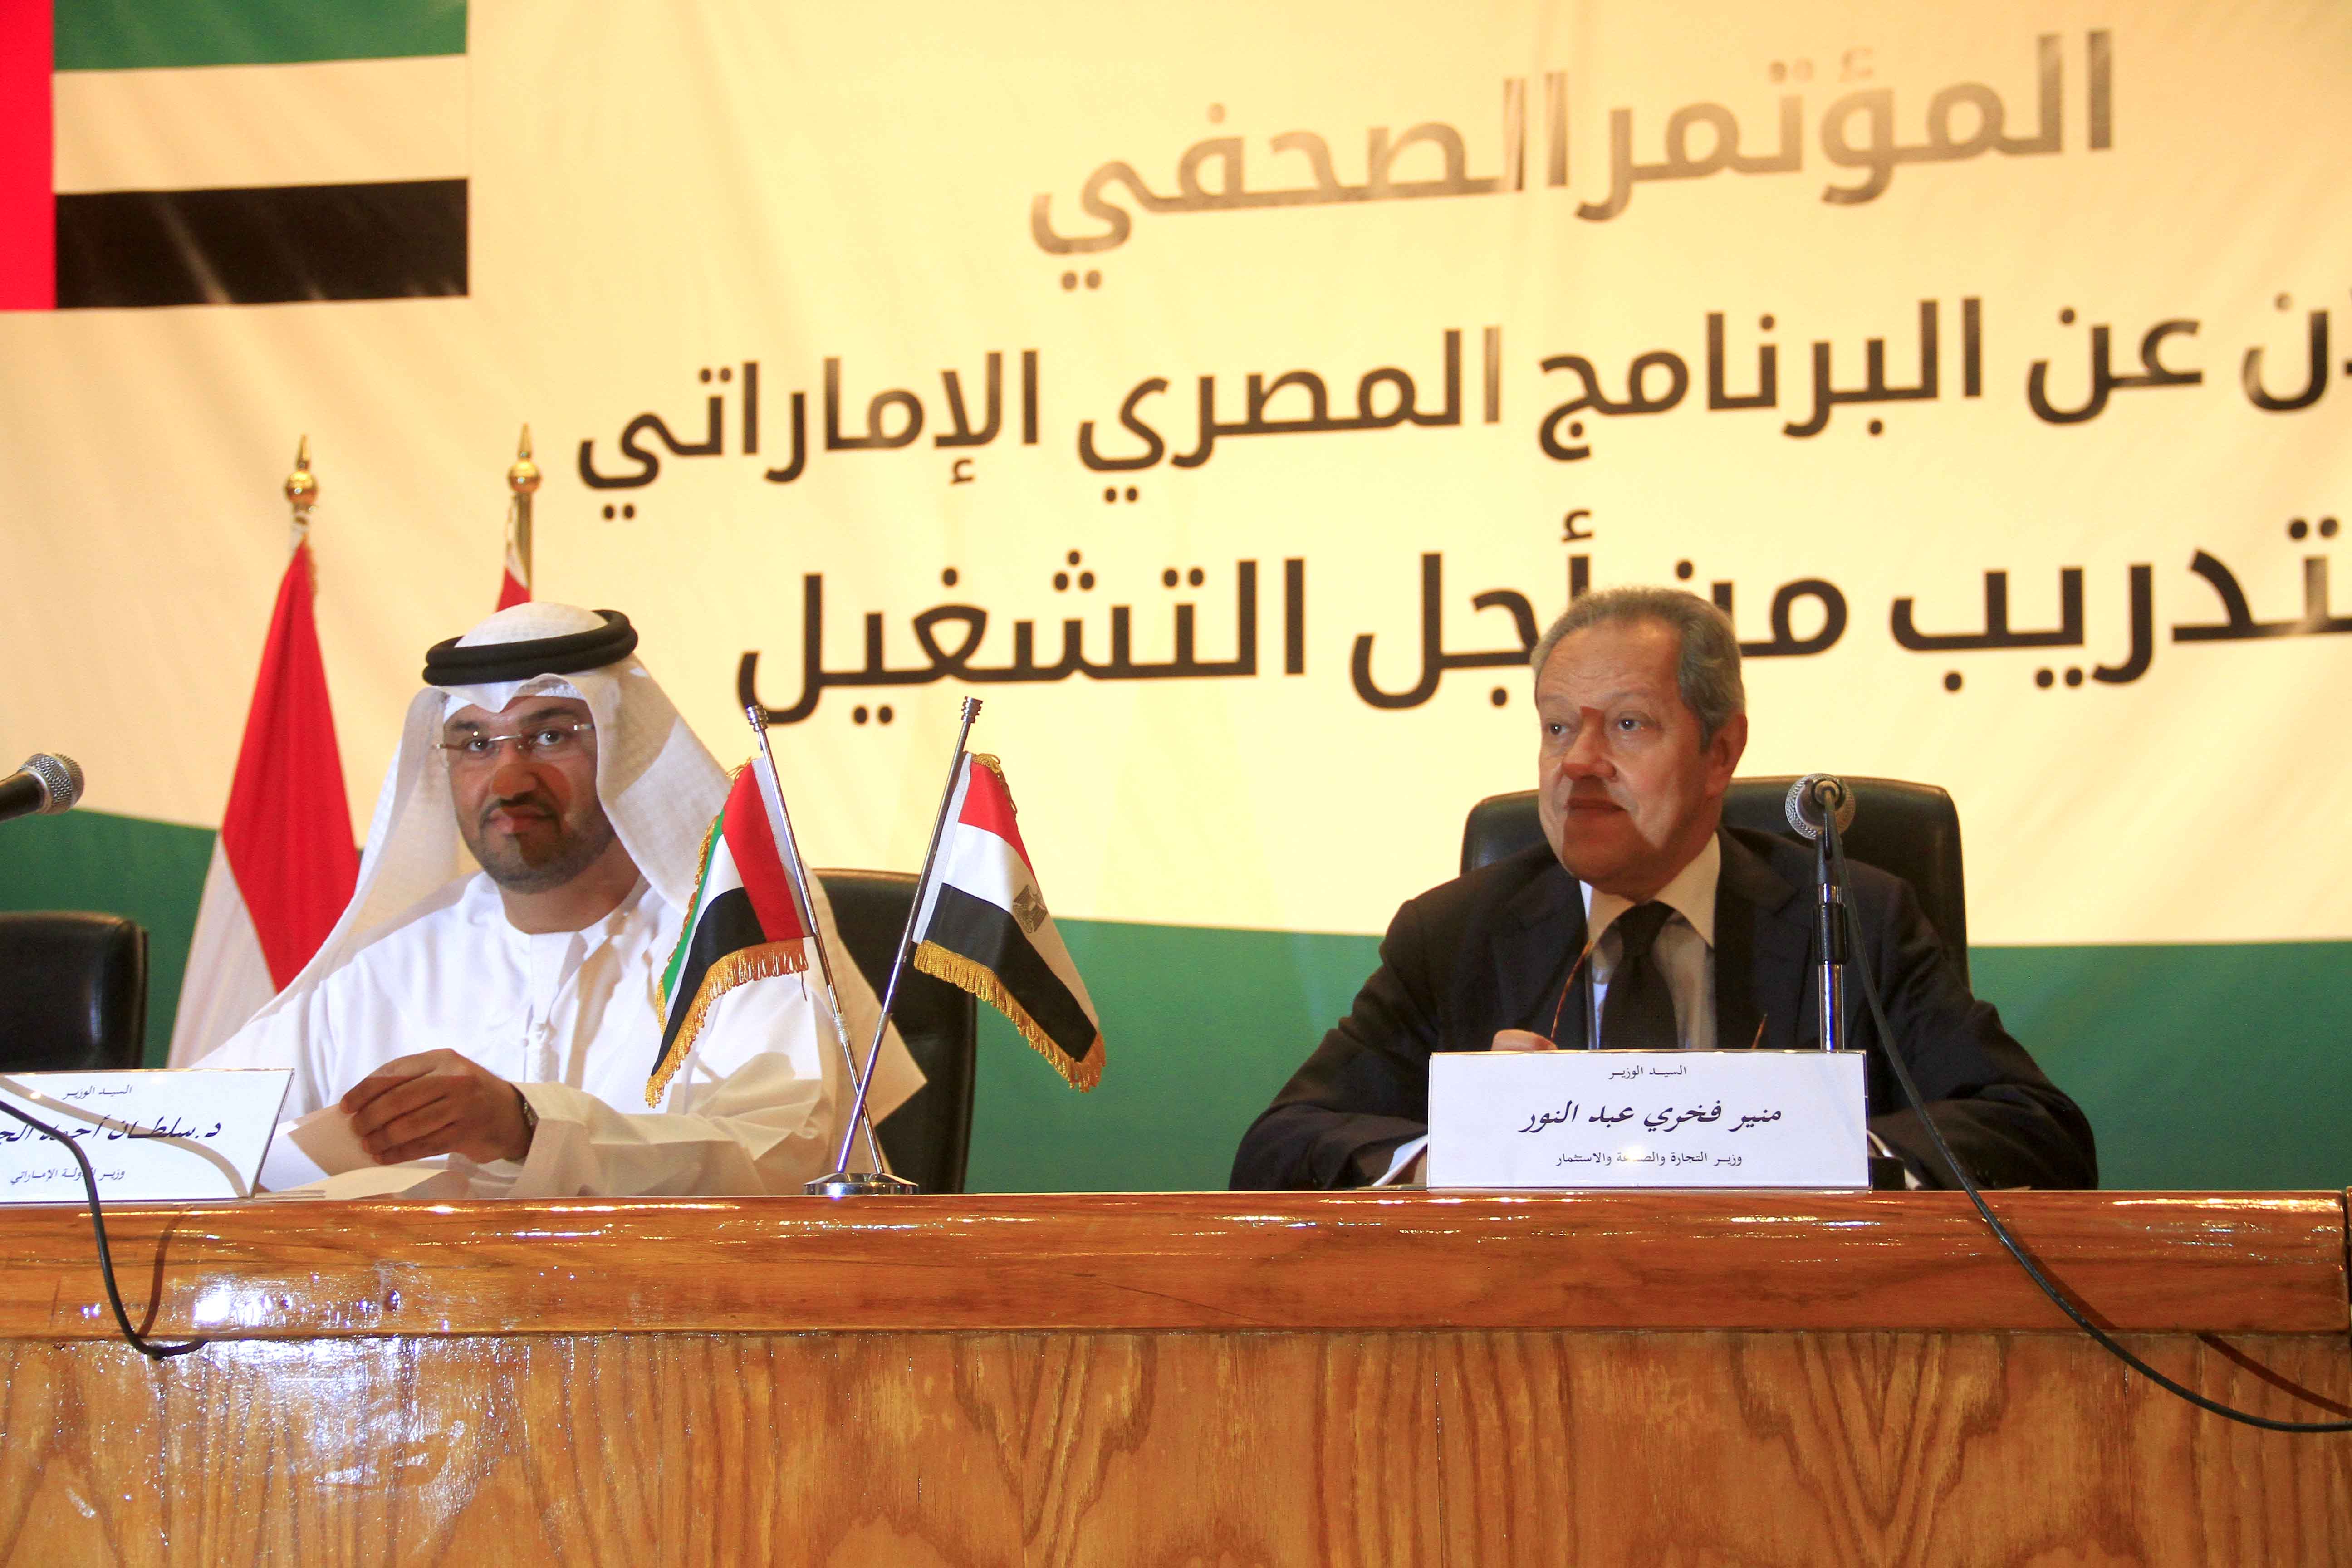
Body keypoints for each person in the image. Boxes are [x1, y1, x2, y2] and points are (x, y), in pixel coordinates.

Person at [1230, 586, 2096, 1192]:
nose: (1577, 762)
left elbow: (2037, 1134)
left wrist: (1819, 1145)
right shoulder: (1455, 935)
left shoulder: (1851, 919)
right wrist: (1460, 1146)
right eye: (1557, 727)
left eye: (1628, 725)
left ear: (1721, 752)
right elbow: (1278, 1149)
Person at [201, 601, 922, 1196]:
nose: (509, 780)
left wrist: (526, 1126)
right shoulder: (388, 962)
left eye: (548, 736)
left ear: (624, 750)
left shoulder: (736, 939)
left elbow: (781, 1159)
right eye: (475, 744)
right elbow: (192, 1135)